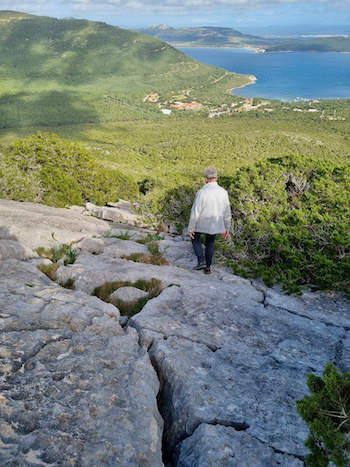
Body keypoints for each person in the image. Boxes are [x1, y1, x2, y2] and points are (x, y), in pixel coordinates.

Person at [188, 167, 231, 274]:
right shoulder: (223, 192)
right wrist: (227, 227)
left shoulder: (202, 192)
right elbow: (227, 212)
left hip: (201, 223)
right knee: (210, 242)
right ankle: (208, 268)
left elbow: (195, 211)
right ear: (216, 177)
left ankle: (201, 261)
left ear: (206, 178)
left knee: (195, 238)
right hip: (215, 223)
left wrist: (191, 227)